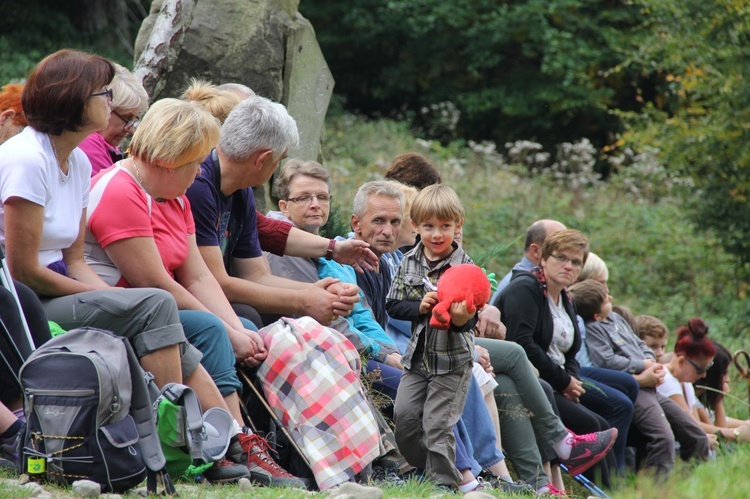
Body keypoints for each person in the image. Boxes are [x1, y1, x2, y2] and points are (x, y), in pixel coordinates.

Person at [0, 49, 253, 483]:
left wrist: (118, 299)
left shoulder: (76, 162)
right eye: (104, 94)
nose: (112, 104)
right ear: (75, 100)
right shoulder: (27, 160)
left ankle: (222, 439)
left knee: (154, 307)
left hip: (56, 285)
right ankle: (174, 446)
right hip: (25, 296)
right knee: (153, 303)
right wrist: (113, 298)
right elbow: (23, 271)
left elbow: (75, 259)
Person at [85, 98, 305, 487]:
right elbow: (154, 282)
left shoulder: (177, 195)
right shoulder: (122, 189)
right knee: (208, 327)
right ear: (171, 159)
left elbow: (198, 276)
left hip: (152, 305)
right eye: (195, 163)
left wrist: (236, 326)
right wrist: (229, 329)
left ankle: (230, 443)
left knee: (219, 325)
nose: (199, 174)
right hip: (119, 305)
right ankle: (222, 442)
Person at [184, 96, 360, 328]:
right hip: (189, 301)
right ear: (264, 159)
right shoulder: (198, 187)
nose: (277, 167)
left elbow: (257, 276)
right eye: (280, 159)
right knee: (253, 316)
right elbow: (218, 283)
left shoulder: (241, 191)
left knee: (271, 313)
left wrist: (323, 290)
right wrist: (303, 301)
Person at [497, 229, 625, 488]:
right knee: (591, 423)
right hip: (529, 379)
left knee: (603, 420)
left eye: (576, 261)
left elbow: (571, 352)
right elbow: (522, 344)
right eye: (561, 258)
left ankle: (617, 491)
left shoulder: (566, 298)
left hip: (559, 381)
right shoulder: (525, 288)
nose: (568, 266)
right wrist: (564, 381)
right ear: (543, 258)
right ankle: (596, 490)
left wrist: (573, 381)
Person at [570, 278, 709, 474]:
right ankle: (653, 490)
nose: (611, 298)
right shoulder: (594, 329)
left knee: (697, 436)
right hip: (637, 389)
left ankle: (692, 484)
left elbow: (640, 343)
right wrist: (641, 366)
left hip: (651, 386)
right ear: (597, 313)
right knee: (663, 438)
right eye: (605, 299)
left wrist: (650, 360)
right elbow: (606, 362)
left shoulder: (617, 319)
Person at [655, 318, 722, 454]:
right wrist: (735, 433)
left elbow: (696, 423)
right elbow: (692, 426)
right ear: (681, 361)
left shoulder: (685, 382)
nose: (703, 375)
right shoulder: (665, 379)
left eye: (707, 369)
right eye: (699, 369)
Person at [79, 63, 149, 175]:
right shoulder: (88, 143)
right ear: (104, 106)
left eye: (133, 121)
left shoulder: (105, 146)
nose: (130, 130)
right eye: (126, 118)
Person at [491, 219, 567, 301]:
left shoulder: (540, 282)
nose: (567, 252)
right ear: (536, 251)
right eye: (558, 246)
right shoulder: (522, 287)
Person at [694, 342, 750, 442]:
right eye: (724, 374)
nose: (727, 379)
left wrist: (744, 425)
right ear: (712, 375)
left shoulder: (697, 401)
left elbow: (724, 425)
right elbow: (722, 439)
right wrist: (718, 400)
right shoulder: (691, 398)